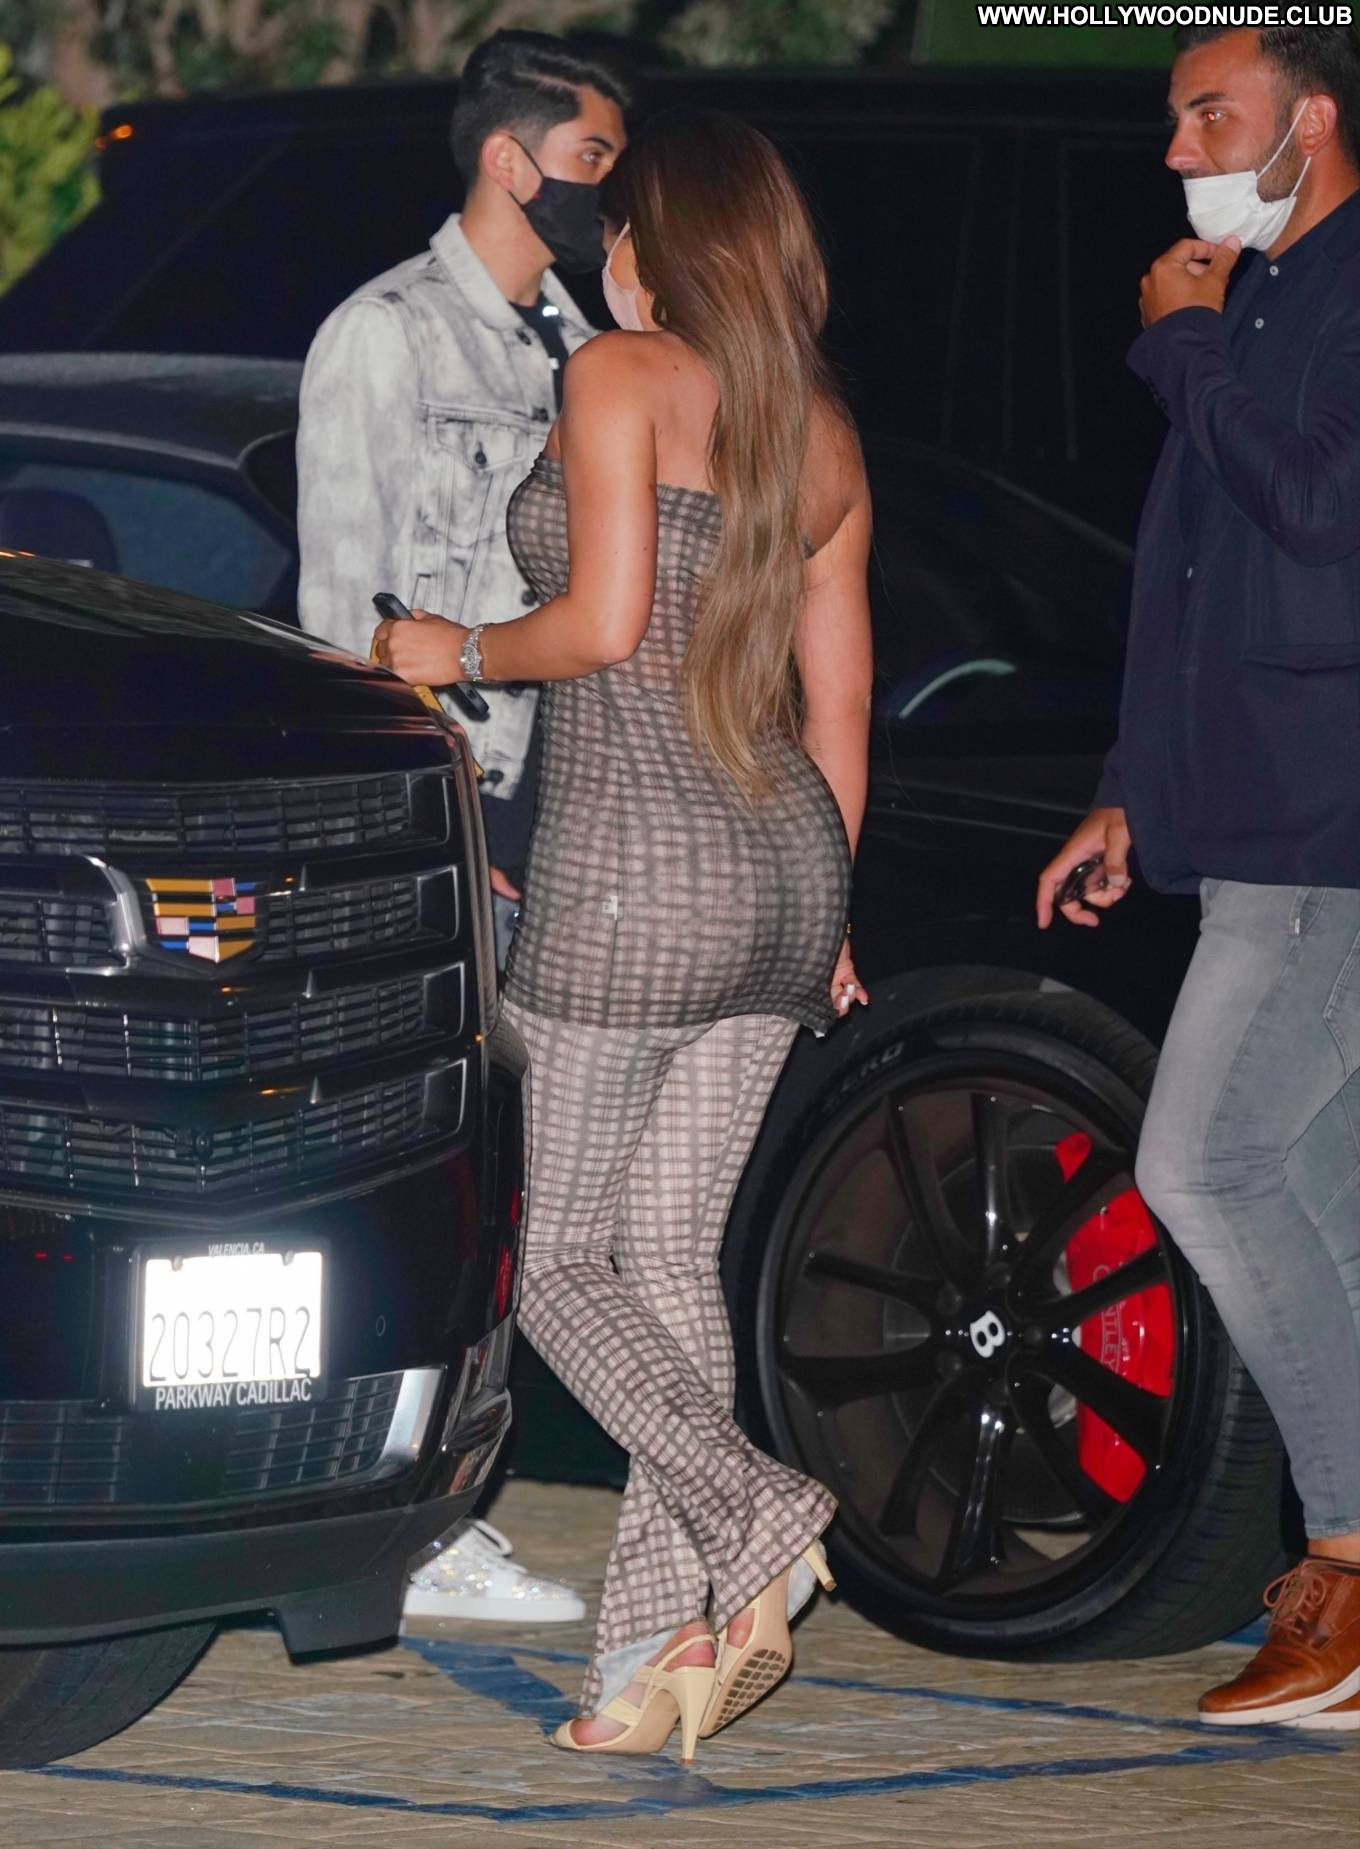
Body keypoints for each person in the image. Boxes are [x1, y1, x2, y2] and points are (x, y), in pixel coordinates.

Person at [373, 107, 873, 1757]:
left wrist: (448, 649)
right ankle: (650, 1661)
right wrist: (830, 914)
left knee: (559, 1265)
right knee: (665, 1265)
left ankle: (758, 1506)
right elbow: (841, 709)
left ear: (659, 243)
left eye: (620, 231)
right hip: (785, 873)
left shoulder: (620, 375)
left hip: (634, 880)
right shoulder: (822, 431)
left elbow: (599, 626)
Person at [1037, 23, 1360, 1732]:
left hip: (1327, 830)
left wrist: (1181, 349)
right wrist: (1127, 794)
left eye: (1211, 116)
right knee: (1316, 1196)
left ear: (1316, 121)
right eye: (1173, 119)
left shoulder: (1309, 300)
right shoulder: (1257, 295)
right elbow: (1194, 576)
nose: (1178, 151)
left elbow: (1324, 514)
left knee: (1205, 1162)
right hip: (1246, 819)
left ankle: (1348, 1571)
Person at [297, 26, 633, 1626]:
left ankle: (443, 1501)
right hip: (464, 797)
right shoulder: (384, 335)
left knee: (535, 1180)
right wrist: (436, 818)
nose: (609, 191)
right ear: (512, 160)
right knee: (451, 1169)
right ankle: (416, 1526)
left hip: (585, 801)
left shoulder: (589, 335)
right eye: (590, 160)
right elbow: (341, 617)